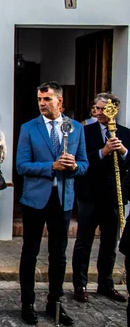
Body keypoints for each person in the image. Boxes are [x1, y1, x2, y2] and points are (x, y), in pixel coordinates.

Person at [16, 81, 88, 326]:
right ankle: (27, 304)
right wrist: (51, 167)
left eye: (47, 99)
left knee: (58, 256)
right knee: (30, 253)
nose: (42, 103)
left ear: (60, 101)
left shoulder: (76, 128)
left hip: (63, 200)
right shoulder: (29, 128)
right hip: (35, 200)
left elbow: (85, 163)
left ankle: (55, 304)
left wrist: (76, 166)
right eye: (39, 99)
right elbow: (21, 165)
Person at [72, 92, 129, 303]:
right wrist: (102, 152)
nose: (99, 112)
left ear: (115, 110)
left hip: (114, 196)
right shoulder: (84, 132)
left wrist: (123, 151)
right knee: (83, 242)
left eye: (104, 108)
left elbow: (129, 163)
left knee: (109, 244)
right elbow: (80, 160)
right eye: (97, 107)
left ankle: (106, 284)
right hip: (89, 195)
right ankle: (80, 284)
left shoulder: (125, 133)